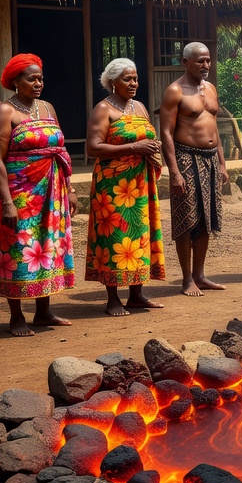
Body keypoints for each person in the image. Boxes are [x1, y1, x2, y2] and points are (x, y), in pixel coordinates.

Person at [0, 54, 74, 336]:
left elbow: (60, 149)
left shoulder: (47, 107)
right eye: (31, 78)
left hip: (52, 190)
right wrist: (7, 202)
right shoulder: (4, 112)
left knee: (46, 246)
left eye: (40, 78)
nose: (38, 83)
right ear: (15, 82)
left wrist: (70, 189)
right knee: (18, 247)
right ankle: (16, 316)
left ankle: (43, 311)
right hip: (20, 192)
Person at [85, 58, 165, 316]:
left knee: (140, 235)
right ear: (112, 82)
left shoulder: (139, 107)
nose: (133, 83)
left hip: (140, 182)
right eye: (127, 79)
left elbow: (146, 138)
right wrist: (134, 147)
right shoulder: (103, 109)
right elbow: (93, 148)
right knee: (115, 237)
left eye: (135, 78)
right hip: (113, 185)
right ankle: (112, 298)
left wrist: (153, 147)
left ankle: (137, 294)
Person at [160, 42, 228, 297]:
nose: (206, 65)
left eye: (208, 60)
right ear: (185, 61)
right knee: (186, 219)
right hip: (186, 157)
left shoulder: (210, 88)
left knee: (205, 219)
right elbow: (166, 133)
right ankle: (187, 278)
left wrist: (222, 163)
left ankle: (200, 275)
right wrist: (174, 172)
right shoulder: (175, 91)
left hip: (210, 159)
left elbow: (214, 127)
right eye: (200, 60)